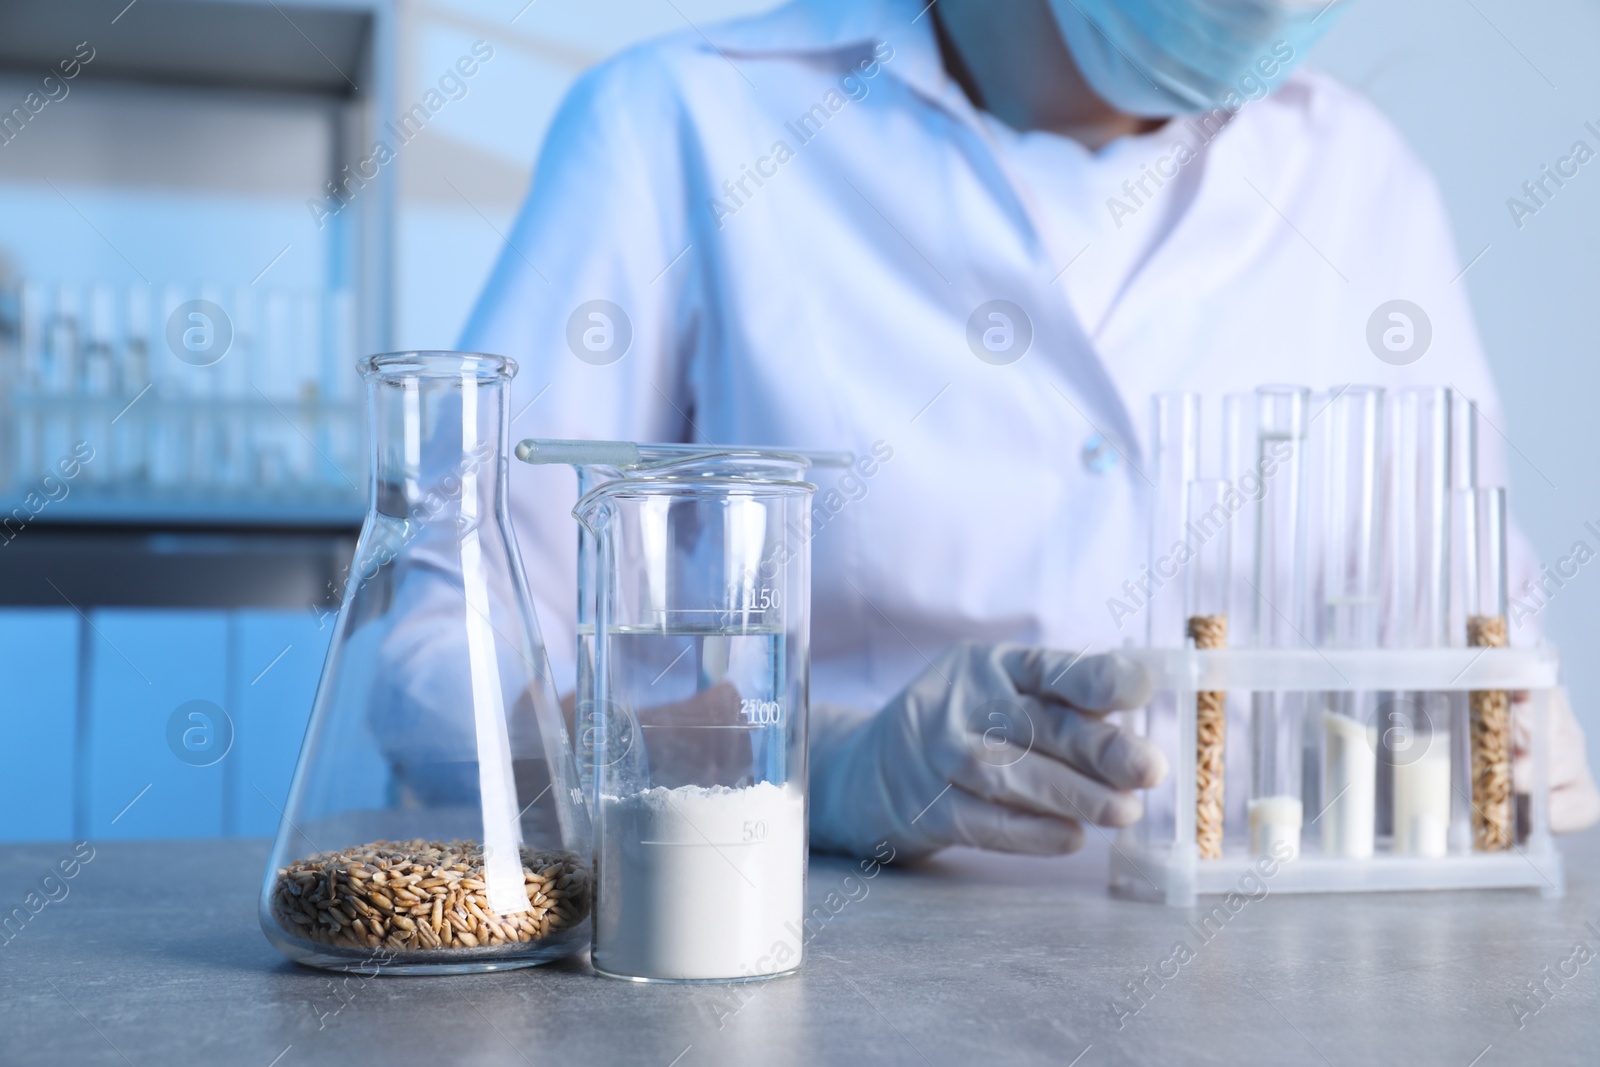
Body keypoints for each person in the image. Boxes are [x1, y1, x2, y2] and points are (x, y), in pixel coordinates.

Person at [442, 0, 1599, 858]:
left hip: (1272, 999)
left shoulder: (1361, 174)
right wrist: (813, 763)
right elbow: (437, 651)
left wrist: (1510, 729)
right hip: (822, 980)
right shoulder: (680, 120)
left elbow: (1476, 611)